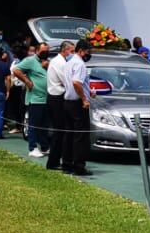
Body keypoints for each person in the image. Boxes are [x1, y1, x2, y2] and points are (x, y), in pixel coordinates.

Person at [60, 39, 94, 177]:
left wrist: (88, 91)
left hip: (67, 101)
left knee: (69, 135)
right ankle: (79, 166)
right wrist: (85, 98)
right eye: (87, 51)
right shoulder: (80, 64)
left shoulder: (68, 63)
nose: (88, 54)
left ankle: (66, 164)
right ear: (81, 50)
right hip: (77, 103)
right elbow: (76, 83)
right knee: (80, 136)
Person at [14, 47, 52, 157]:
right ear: (37, 51)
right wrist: (26, 81)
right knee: (34, 124)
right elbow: (16, 70)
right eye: (43, 51)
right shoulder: (30, 61)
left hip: (46, 98)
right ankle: (32, 147)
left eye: (47, 50)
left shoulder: (47, 62)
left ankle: (44, 147)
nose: (45, 52)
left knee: (43, 125)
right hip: (35, 98)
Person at [44, 41, 74, 171]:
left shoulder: (59, 61)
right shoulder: (59, 62)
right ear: (65, 50)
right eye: (71, 51)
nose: (72, 54)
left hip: (56, 97)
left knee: (60, 131)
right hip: (57, 98)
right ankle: (53, 161)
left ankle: (56, 160)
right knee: (59, 131)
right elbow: (66, 80)